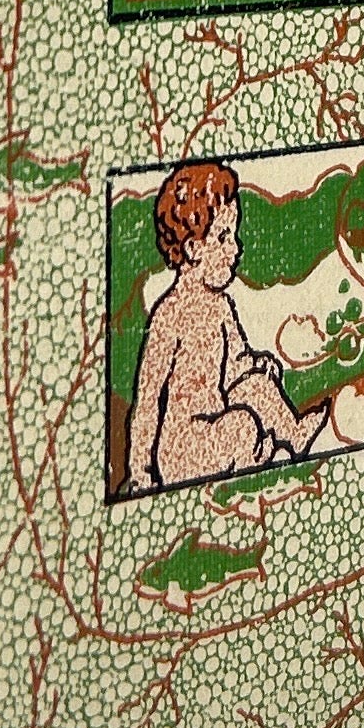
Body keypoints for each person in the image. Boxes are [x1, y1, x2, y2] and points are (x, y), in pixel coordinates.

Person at [127, 161, 327, 489]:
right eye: (222, 238)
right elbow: (148, 398)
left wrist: (256, 364)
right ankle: (256, 462)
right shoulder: (169, 316)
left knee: (257, 386)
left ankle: (293, 435)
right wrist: (141, 471)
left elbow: (235, 362)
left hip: (217, 420)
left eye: (232, 235)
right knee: (242, 425)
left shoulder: (221, 306)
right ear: (193, 248)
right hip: (185, 449)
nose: (235, 249)